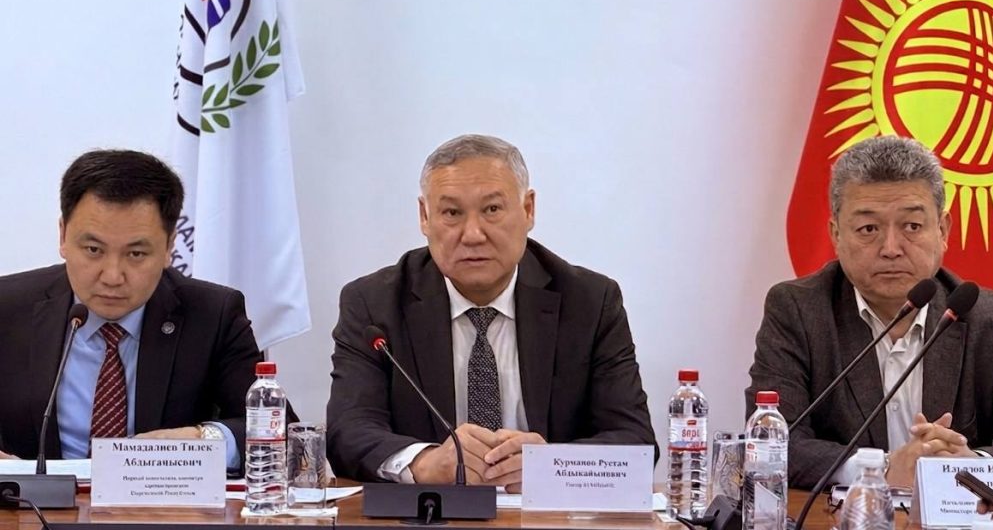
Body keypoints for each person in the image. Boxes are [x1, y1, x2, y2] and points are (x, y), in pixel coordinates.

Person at [326, 134, 654, 491]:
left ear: (528, 210)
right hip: (429, 521)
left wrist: (553, 466)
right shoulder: (373, 304)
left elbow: (635, 442)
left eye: (492, 209)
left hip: (547, 523)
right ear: (424, 216)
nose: (473, 234)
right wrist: (426, 462)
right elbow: (348, 433)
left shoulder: (590, 302)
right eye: (452, 213)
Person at [747, 135, 993, 490]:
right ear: (836, 234)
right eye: (869, 229)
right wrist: (883, 468)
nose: (891, 248)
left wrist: (971, 464)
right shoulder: (798, 310)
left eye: (912, 226)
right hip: (842, 521)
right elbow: (772, 441)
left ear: (942, 230)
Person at [0, 149, 283, 471]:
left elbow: (277, 428)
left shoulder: (213, 314)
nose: (112, 276)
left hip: (162, 500)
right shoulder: (8, 308)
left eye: (135, 254)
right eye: (93, 249)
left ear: (169, 246)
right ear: (63, 235)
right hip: (31, 502)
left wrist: (204, 439)